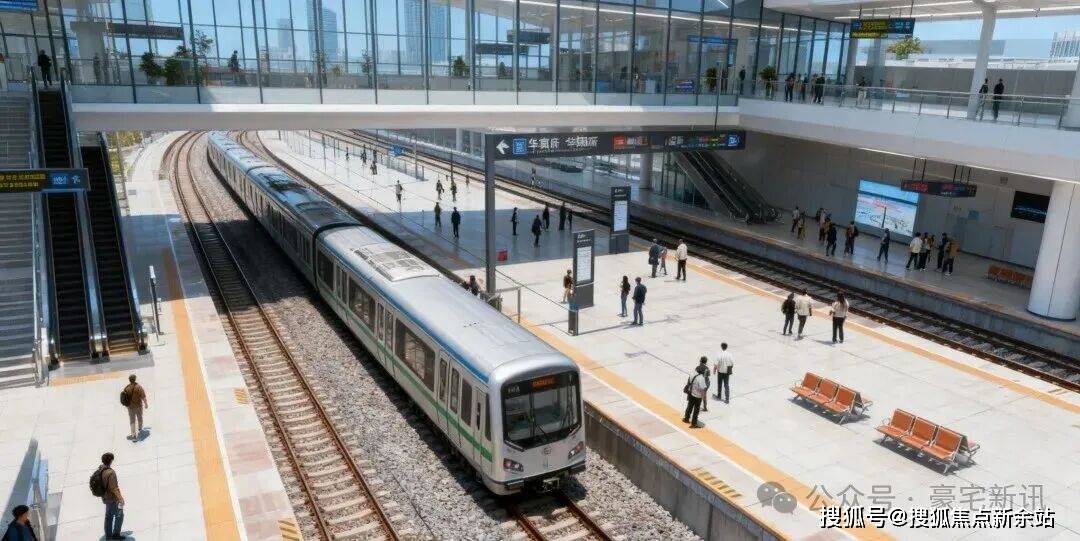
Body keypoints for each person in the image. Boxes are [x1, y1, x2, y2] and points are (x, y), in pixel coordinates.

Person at [93, 452, 125, 540]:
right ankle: (115, 534)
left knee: (108, 517)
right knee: (119, 515)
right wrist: (120, 499)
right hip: (113, 498)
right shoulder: (111, 473)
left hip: (105, 497)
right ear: (111, 461)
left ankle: (108, 536)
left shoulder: (101, 469)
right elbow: (114, 488)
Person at [120, 375, 148, 441]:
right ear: (135, 379)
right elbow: (143, 396)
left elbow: (124, 397)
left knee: (132, 421)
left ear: (129, 380)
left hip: (130, 407)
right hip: (138, 406)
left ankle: (133, 435)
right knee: (140, 418)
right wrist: (146, 404)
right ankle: (140, 429)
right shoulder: (139, 387)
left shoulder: (127, 388)